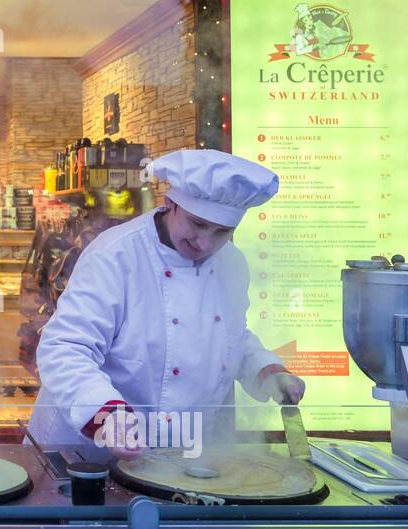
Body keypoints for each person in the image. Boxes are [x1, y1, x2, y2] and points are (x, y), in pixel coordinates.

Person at [30, 148, 305, 458]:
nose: (205, 243)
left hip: (179, 453)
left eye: (222, 232)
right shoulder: (116, 255)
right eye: (198, 224)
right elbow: (65, 347)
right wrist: (104, 412)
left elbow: (232, 336)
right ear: (170, 203)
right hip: (86, 452)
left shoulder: (232, 263)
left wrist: (265, 370)